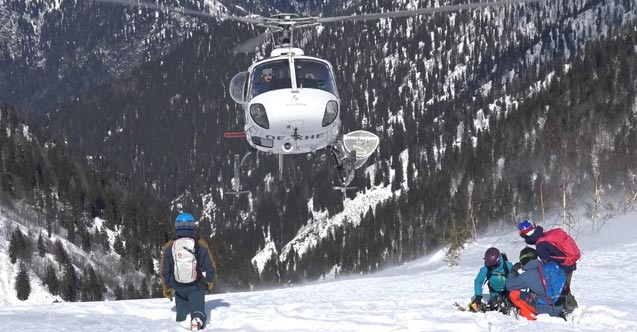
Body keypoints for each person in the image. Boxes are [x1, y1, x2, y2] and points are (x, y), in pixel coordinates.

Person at [160, 212, 217, 331]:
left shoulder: (169, 246)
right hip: (196, 286)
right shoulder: (201, 244)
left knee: (182, 315)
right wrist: (210, 282)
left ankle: (180, 322)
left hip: (178, 287)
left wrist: (167, 288)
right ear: (192, 226)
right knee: (197, 310)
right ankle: (197, 320)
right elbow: (211, 266)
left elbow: (164, 271)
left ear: (176, 226)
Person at [518, 220, 579, 312]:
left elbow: (547, 263)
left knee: (561, 288)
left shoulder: (540, 244)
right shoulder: (542, 235)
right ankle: (569, 307)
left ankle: (570, 308)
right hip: (567, 263)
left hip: (563, 266)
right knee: (563, 287)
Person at [506, 247, 566, 320]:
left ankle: (530, 317)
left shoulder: (527, 275)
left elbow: (509, 286)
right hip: (559, 305)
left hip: (545, 309)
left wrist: (513, 271)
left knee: (513, 294)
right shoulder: (545, 267)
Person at [469, 247, 514, 312]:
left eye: (494, 265)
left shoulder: (507, 266)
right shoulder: (486, 268)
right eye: (490, 265)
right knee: (496, 305)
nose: (492, 267)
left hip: (509, 292)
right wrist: (478, 297)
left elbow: (516, 280)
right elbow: (478, 282)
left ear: (499, 261)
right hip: (494, 294)